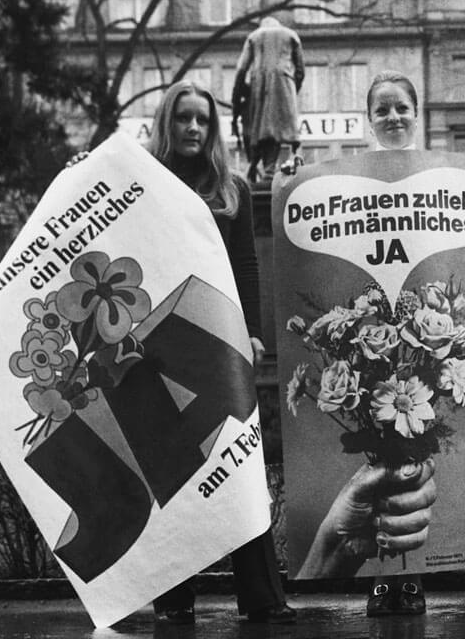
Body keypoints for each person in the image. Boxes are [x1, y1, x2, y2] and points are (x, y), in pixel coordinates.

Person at [347, 70, 465, 616]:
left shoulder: (441, 174)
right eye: (383, 109)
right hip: (375, 332)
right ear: (368, 119)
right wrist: (286, 183)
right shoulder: (351, 174)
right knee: (382, 459)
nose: (393, 117)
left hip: (426, 332)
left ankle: (412, 576)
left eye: (402, 108)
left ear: (415, 114)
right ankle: (381, 577)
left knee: (415, 458)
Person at [146, 80, 297, 625]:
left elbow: (246, 267)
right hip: (156, 349)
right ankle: (173, 601)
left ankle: (262, 599)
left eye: (202, 120)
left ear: (213, 129)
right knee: (173, 471)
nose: (192, 128)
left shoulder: (231, 189)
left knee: (238, 470)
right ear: (168, 122)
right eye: (183, 118)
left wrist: (252, 332)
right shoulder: (142, 185)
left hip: (221, 345)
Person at [231, 16, 305, 184]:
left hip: (259, 85)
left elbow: (241, 70)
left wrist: (238, 99)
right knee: (276, 128)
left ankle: (267, 171)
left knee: (262, 129)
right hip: (285, 82)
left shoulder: (254, 37)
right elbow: (300, 70)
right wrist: (293, 90)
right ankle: (269, 170)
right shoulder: (291, 35)